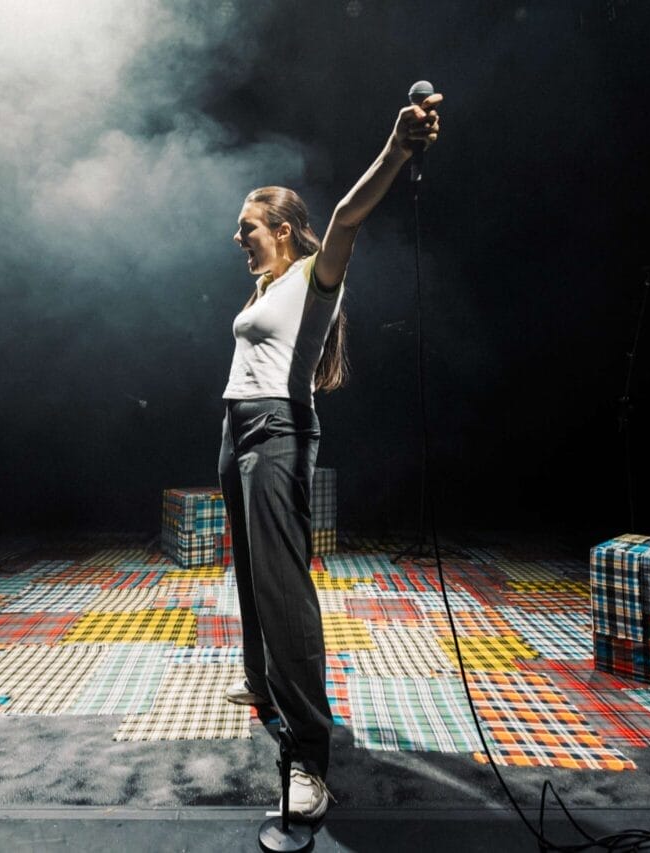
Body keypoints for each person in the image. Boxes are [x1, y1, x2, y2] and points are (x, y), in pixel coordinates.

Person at [217, 91, 443, 821]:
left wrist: (397, 147)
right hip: (237, 431)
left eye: (248, 227)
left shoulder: (317, 280)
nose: (238, 237)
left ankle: (310, 755)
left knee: (283, 588)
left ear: (282, 230)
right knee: (249, 569)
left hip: (278, 433)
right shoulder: (267, 287)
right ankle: (259, 680)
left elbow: (346, 215)